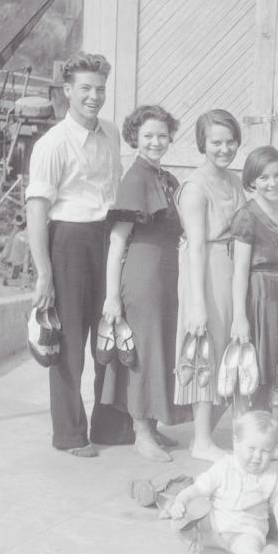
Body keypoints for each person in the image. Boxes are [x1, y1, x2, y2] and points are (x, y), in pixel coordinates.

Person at [25, 52, 133, 457]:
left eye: (100, 89)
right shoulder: (53, 143)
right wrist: (44, 274)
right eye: (85, 88)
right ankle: (70, 434)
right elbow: (37, 209)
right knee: (69, 343)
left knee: (110, 331)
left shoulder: (111, 132)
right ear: (67, 90)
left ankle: (110, 425)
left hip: (107, 237)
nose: (93, 96)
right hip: (69, 241)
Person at [100, 104, 186, 462]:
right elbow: (117, 241)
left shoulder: (166, 179)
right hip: (142, 274)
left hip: (167, 274)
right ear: (135, 137)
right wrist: (111, 296)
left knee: (160, 350)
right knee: (143, 353)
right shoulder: (135, 179)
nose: (155, 142)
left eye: (162, 136)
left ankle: (152, 424)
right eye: (148, 135)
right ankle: (141, 433)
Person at [173, 109, 247, 461]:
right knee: (206, 351)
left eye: (230, 141)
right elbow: (196, 246)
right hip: (205, 271)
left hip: (231, 269)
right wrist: (197, 303)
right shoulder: (195, 186)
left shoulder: (234, 181)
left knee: (230, 348)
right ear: (203, 143)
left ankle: (218, 434)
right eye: (216, 141)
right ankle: (201, 440)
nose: (224, 148)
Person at [167, 410, 278, 554]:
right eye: (251, 449)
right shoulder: (223, 467)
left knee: (250, 549)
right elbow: (196, 489)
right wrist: (180, 502)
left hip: (245, 533)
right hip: (213, 528)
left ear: (273, 450)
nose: (257, 456)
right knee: (182, 522)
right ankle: (183, 523)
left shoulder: (271, 479)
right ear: (237, 443)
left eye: (265, 451)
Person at [229, 145, 278, 411]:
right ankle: (248, 440)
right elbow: (240, 272)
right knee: (255, 370)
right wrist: (239, 317)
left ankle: (268, 438)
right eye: (264, 177)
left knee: (277, 369)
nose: (272, 183)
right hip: (258, 297)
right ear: (252, 181)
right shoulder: (247, 216)